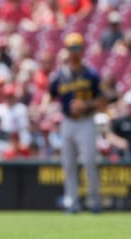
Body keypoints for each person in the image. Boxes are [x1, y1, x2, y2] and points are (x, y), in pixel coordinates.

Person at [48, 32, 104, 214]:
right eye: (71, 48)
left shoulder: (91, 74)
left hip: (86, 121)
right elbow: (50, 96)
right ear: (66, 50)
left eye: (77, 48)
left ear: (83, 50)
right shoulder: (60, 76)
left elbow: (103, 100)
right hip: (67, 122)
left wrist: (85, 105)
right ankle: (72, 202)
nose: (74, 51)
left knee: (89, 161)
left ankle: (94, 201)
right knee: (69, 164)